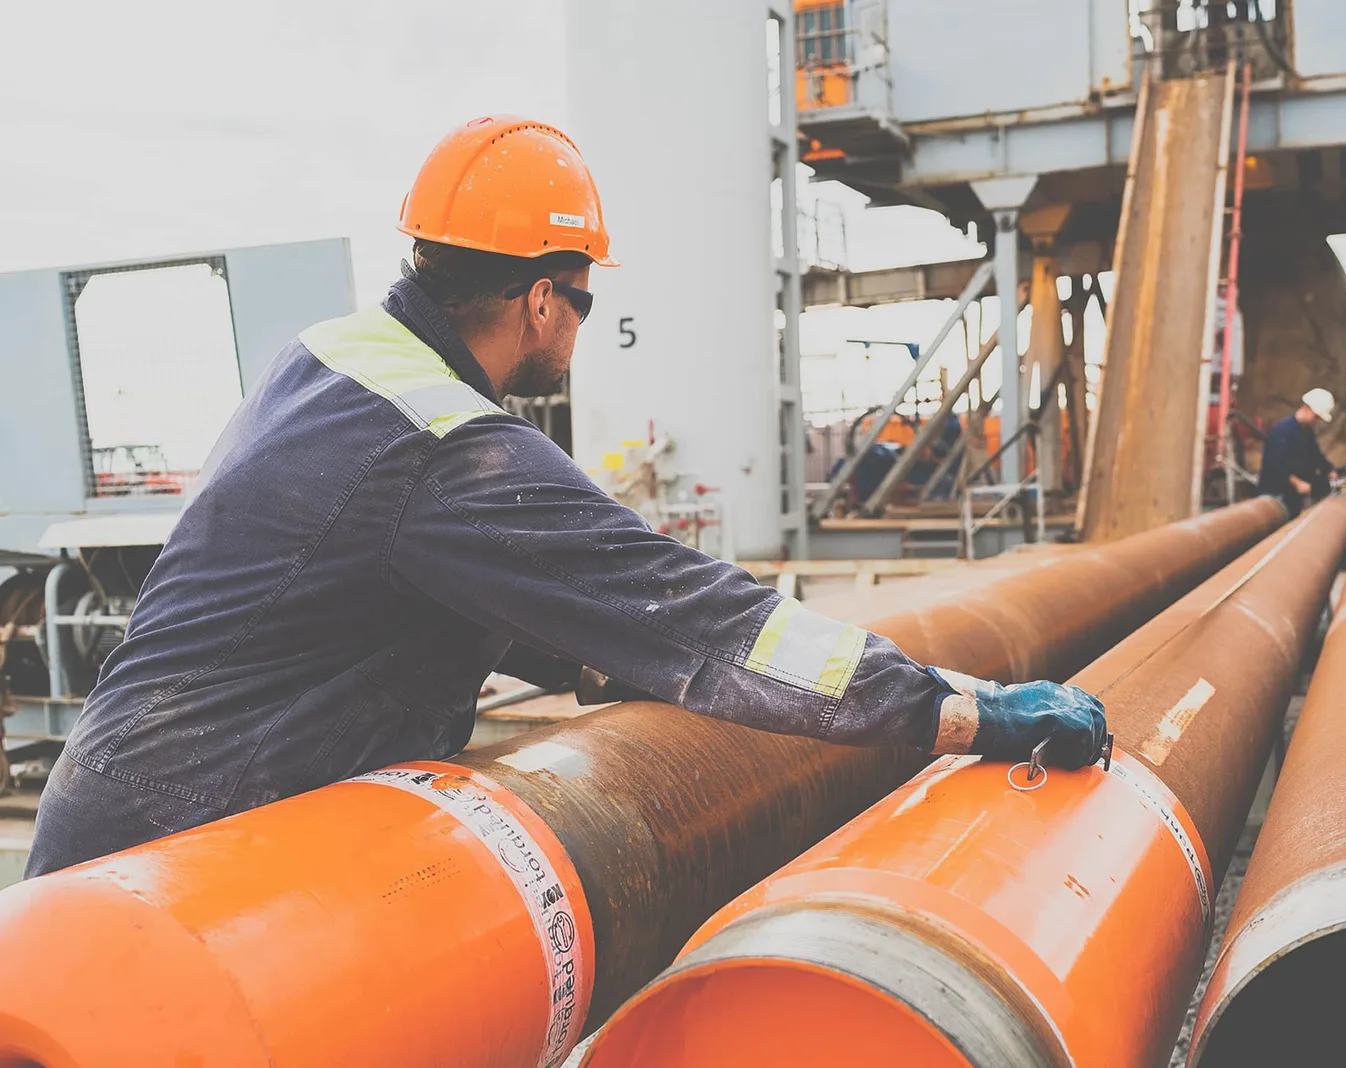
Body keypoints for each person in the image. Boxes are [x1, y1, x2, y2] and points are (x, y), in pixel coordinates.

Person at [26, 117, 1105, 876]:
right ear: (541, 299)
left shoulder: (329, 362)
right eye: (584, 302)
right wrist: (953, 709)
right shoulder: (447, 449)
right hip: (182, 862)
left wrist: (595, 652)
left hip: (121, 820)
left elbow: (374, 587)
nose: (582, 327)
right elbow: (710, 622)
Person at [1256, 388, 1337, 517]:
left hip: (1292, 496)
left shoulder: (1306, 432)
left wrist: (1329, 470)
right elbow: (1275, 465)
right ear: (1307, 409)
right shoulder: (1282, 432)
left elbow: (1315, 455)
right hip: (1275, 494)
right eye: (1316, 417)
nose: (1316, 421)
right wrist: (1297, 483)